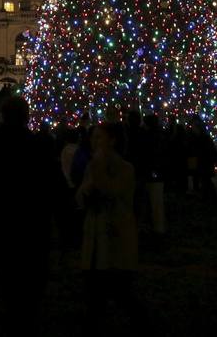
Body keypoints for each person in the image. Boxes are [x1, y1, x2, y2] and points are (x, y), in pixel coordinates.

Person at [0, 96, 58, 336]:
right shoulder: (38, 145)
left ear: (2, 115)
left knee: (7, 280)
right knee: (31, 283)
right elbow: (51, 185)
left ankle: (11, 318)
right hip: (32, 227)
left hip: (0, 226)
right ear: (27, 116)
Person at [77, 122, 141, 326]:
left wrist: (96, 170)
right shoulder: (92, 166)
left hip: (116, 241)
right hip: (95, 242)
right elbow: (81, 197)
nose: (94, 142)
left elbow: (109, 191)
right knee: (94, 300)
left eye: (99, 137)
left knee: (122, 295)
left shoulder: (125, 169)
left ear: (112, 141)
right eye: (93, 137)